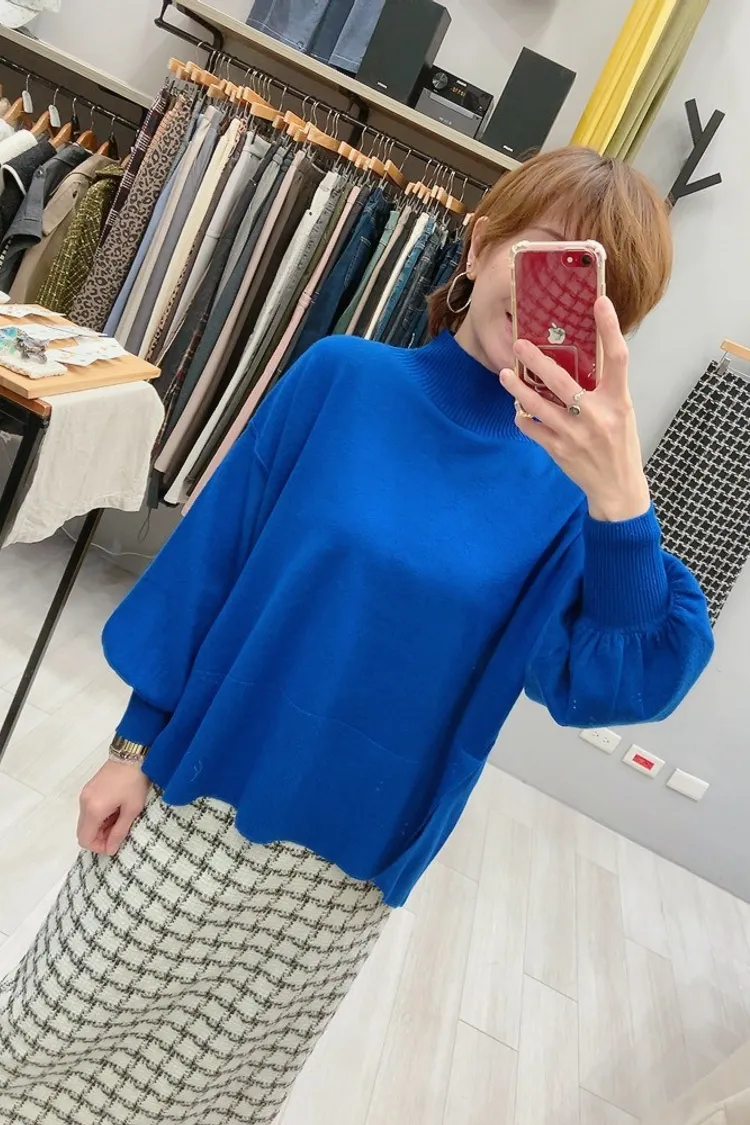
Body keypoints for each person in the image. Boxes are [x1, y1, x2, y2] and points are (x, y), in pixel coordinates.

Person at [0, 147, 713, 1124]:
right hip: (196, 790)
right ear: (481, 244)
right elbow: (211, 568)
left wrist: (622, 492)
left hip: (346, 869)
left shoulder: (576, 498)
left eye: (597, 291)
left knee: (205, 1099)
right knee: (41, 1045)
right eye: (549, 254)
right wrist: (132, 747)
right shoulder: (344, 378)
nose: (560, 298)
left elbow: (622, 682)